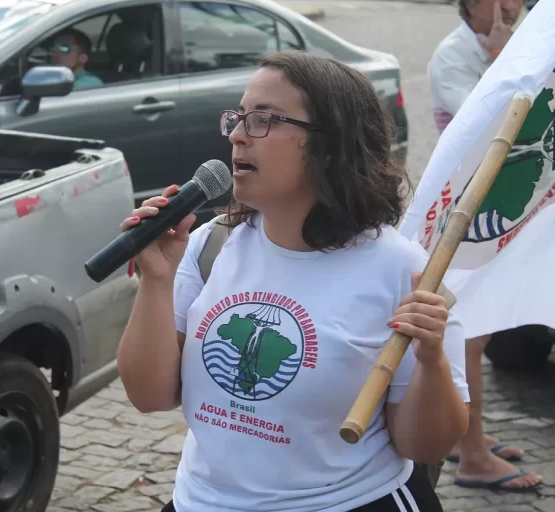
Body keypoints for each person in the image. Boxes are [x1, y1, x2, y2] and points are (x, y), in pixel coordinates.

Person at [117, 50, 470, 512]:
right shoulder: (211, 245)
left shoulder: (403, 271)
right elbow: (149, 395)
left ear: (328, 144)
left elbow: (425, 446)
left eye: (264, 119)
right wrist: (156, 280)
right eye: (239, 118)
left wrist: (431, 361)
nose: (240, 135)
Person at [427, 0, 542, 491]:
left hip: (502, 207)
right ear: (473, 5)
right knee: (466, 331)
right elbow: (491, 121)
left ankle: (463, 433)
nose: (514, 6)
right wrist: (499, 55)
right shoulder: (453, 55)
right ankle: (471, 454)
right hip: (465, 213)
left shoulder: (515, 43)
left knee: (483, 326)